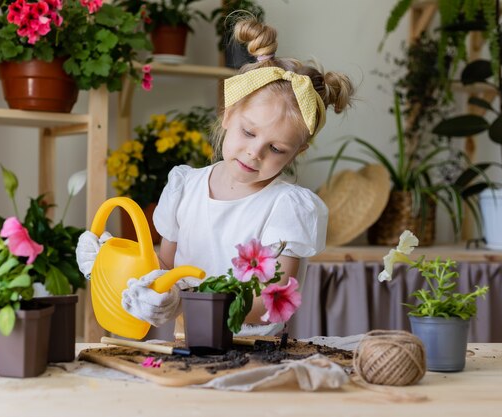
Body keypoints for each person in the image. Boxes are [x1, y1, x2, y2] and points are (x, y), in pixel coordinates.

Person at [77, 17, 355, 336]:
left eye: (276, 148)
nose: (255, 152)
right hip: (185, 345)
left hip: (254, 355)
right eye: (248, 132)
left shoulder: (287, 207)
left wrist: (189, 300)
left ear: (298, 151)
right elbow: (162, 268)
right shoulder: (185, 188)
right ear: (227, 113)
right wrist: (109, 264)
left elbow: (269, 302)